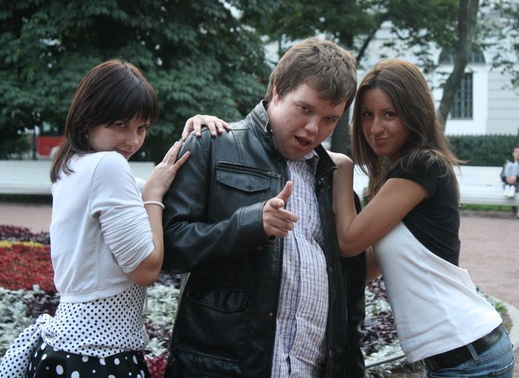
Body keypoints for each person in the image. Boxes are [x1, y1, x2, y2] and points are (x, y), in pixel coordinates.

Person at [0, 60, 227, 377]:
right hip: (99, 356)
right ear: (88, 119)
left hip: (70, 350)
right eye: (120, 125)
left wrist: (196, 134)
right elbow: (146, 269)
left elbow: (155, 192)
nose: (132, 141)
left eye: (142, 128)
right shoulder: (108, 166)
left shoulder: (72, 167)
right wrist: (154, 194)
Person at [161, 37, 366, 377]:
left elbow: (350, 299)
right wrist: (250, 225)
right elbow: (169, 247)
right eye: (305, 109)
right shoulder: (213, 146)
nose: (314, 128)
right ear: (277, 90)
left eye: (330, 119)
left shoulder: (333, 178)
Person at [330, 59, 515, 377]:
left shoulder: (422, 166)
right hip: (459, 355)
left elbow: (349, 241)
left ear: (413, 113)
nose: (375, 128)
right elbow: (370, 267)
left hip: (466, 356)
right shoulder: (398, 179)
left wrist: (343, 169)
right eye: (367, 115)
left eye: (390, 114)